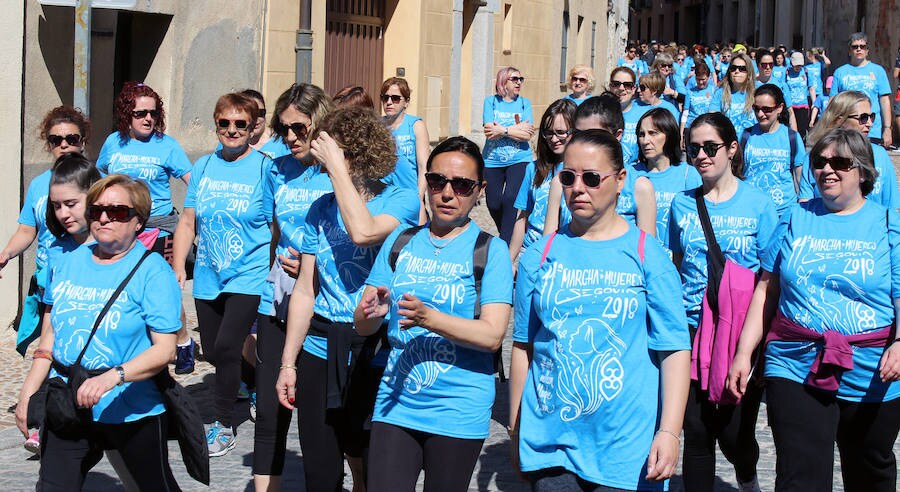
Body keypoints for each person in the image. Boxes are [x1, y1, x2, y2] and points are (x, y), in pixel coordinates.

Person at [510, 128, 690, 491]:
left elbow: (674, 349)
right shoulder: (540, 255)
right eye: (569, 177)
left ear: (621, 179)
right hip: (550, 442)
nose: (579, 188)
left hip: (624, 448)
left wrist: (669, 431)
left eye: (592, 178)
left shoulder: (647, 255)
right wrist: (516, 429)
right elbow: (522, 347)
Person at [728, 128, 900, 491]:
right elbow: (767, 288)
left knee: (870, 468)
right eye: (819, 162)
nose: (827, 170)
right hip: (795, 360)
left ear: (864, 172)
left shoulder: (889, 224)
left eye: (840, 162)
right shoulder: (794, 216)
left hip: (871, 369)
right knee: (800, 476)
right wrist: (744, 354)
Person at [354, 136, 513, 491]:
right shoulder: (401, 241)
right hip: (397, 401)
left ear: (480, 190)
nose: (446, 193)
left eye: (461, 185)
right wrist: (371, 313)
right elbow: (363, 326)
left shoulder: (491, 251)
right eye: (437, 181)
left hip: (458, 408)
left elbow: (491, 336)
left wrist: (430, 319)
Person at [275, 106, 420, 492]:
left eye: (338, 152)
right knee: (319, 472)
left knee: (372, 465)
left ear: (359, 153)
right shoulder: (319, 209)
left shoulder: (401, 199)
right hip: (321, 347)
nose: (326, 159)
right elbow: (306, 289)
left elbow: (364, 231)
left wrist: (339, 168)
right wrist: (288, 363)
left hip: (375, 349)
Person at [17, 173, 182, 490]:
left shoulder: (152, 271)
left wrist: (111, 377)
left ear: (138, 221)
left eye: (117, 212)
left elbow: (165, 350)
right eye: (96, 210)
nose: (104, 218)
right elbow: (51, 335)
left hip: (129, 407)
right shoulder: (67, 262)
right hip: (69, 403)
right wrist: (28, 393)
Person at [669, 112, 777, 492]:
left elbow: (769, 278)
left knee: (734, 435)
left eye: (710, 147)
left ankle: (746, 473)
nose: (701, 155)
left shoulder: (760, 205)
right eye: (693, 148)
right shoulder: (682, 206)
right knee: (696, 432)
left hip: (739, 334)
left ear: (732, 149)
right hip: (693, 328)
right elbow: (678, 265)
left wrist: (752, 346)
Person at [172, 92, 274, 457]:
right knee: (215, 350)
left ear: (252, 128)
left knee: (230, 345)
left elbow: (277, 225)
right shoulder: (203, 167)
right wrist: (177, 268)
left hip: (250, 272)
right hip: (209, 273)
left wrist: (278, 264)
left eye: (240, 124)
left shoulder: (265, 168)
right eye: (224, 123)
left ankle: (223, 423)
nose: (232, 130)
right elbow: (187, 221)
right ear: (216, 124)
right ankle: (252, 382)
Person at [252, 83, 334, 491]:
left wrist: (311, 263)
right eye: (283, 128)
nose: (290, 138)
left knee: (325, 422)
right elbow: (274, 232)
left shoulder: (341, 170)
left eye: (299, 128)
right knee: (269, 412)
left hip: (325, 306)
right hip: (278, 299)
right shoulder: (276, 168)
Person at [96, 82, 197, 374]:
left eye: (152, 113)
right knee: (123, 287)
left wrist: (193, 217)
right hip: (121, 229)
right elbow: (101, 180)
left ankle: (182, 342)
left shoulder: (167, 145)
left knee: (166, 289)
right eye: (140, 113)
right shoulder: (113, 143)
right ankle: (138, 345)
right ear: (127, 113)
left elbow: (194, 184)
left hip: (159, 228)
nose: (147, 119)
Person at [14, 153, 102, 456]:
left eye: (71, 204)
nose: (63, 213)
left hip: (114, 385)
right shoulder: (57, 255)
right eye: (55, 206)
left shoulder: (120, 251)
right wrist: (27, 395)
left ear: (93, 198)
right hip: (67, 384)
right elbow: (50, 330)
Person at [1, 106, 91, 356]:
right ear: (49, 144)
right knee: (51, 348)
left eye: (71, 139)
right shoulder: (39, 184)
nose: (64, 145)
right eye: (56, 140)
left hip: (84, 275)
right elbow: (27, 230)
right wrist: (7, 253)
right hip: (49, 279)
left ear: (82, 141)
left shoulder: (97, 179)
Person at [544, 94, 657, 237]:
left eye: (596, 136)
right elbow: (547, 243)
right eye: (579, 134)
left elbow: (645, 251)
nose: (585, 142)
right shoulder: (561, 182)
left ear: (617, 135)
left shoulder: (640, 187)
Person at [801, 90, 900, 211]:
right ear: (839, 120)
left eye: (871, 117)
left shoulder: (880, 155)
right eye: (863, 118)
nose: (869, 123)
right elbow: (805, 205)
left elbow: (892, 207)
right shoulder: (815, 158)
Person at [508, 99, 576, 263]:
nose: (553, 139)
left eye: (561, 132)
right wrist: (509, 261)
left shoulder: (582, 171)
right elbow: (522, 217)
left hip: (566, 254)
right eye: (548, 133)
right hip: (531, 251)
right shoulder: (533, 169)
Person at [634, 108, 702, 250]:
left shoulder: (689, 175)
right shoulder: (631, 174)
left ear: (669, 135)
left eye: (653, 133)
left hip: (677, 261)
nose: (645, 141)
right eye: (641, 134)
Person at [482, 67, 535, 243]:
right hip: (492, 160)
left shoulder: (524, 103)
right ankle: (511, 233)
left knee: (511, 198)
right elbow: (489, 131)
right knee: (493, 202)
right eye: (514, 79)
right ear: (503, 81)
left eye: (520, 79)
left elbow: (527, 134)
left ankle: (504, 242)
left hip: (519, 158)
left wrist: (503, 129)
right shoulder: (491, 102)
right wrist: (515, 130)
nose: (519, 82)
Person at [741, 84, 806, 216]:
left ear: (779, 108)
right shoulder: (745, 136)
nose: (760, 114)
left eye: (766, 109)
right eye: (756, 109)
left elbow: (801, 178)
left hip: (784, 212)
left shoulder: (792, 137)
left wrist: (803, 209)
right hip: (751, 210)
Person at [381, 77, 432, 223]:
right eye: (385, 98)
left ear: (406, 102)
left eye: (396, 98)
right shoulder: (377, 125)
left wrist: (418, 197)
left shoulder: (415, 125)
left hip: (410, 195)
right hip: (385, 197)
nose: (389, 102)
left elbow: (424, 166)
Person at [831, 32, 893, 147]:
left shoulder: (878, 71)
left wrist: (887, 128)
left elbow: (884, 101)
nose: (859, 49)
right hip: (847, 128)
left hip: (871, 129)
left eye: (862, 46)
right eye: (855, 47)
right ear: (849, 51)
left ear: (867, 50)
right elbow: (833, 102)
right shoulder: (840, 72)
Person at [609, 66, 650, 166]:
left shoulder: (645, 115)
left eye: (627, 85)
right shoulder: (600, 113)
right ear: (610, 86)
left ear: (634, 89)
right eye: (616, 84)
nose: (621, 88)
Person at [711, 54, 758, 136]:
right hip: (727, 142)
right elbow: (713, 120)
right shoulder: (720, 93)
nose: (737, 71)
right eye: (733, 68)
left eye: (742, 69)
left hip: (750, 143)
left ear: (749, 72)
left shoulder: (757, 93)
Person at [241, 89, 292, 160]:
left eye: (260, 113)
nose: (256, 119)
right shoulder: (231, 141)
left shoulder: (282, 142)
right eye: (250, 113)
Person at [756, 51, 797, 130]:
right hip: (756, 129)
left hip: (776, 129)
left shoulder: (782, 85)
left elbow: (790, 111)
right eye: (764, 65)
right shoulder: (750, 85)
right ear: (758, 65)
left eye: (771, 64)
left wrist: (795, 136)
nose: (768, 67)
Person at [681, 62, 717, 142]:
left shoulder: (713, 90)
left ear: (708, 77)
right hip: (691, 127)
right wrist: (681, 134)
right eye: (698, 79)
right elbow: (685, 113)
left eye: (703, 79)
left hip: (708, 128)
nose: (700, 82)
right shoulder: (690, 92)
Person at [784, 52, 816, 139]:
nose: (798, 67)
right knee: (789, 131)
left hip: (803, 106)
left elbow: (811, 88)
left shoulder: (806, 72)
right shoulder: (786, 73)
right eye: (796, 65)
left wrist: (814, 102)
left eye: (800, 65)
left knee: (802, 132)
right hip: (790, 106)